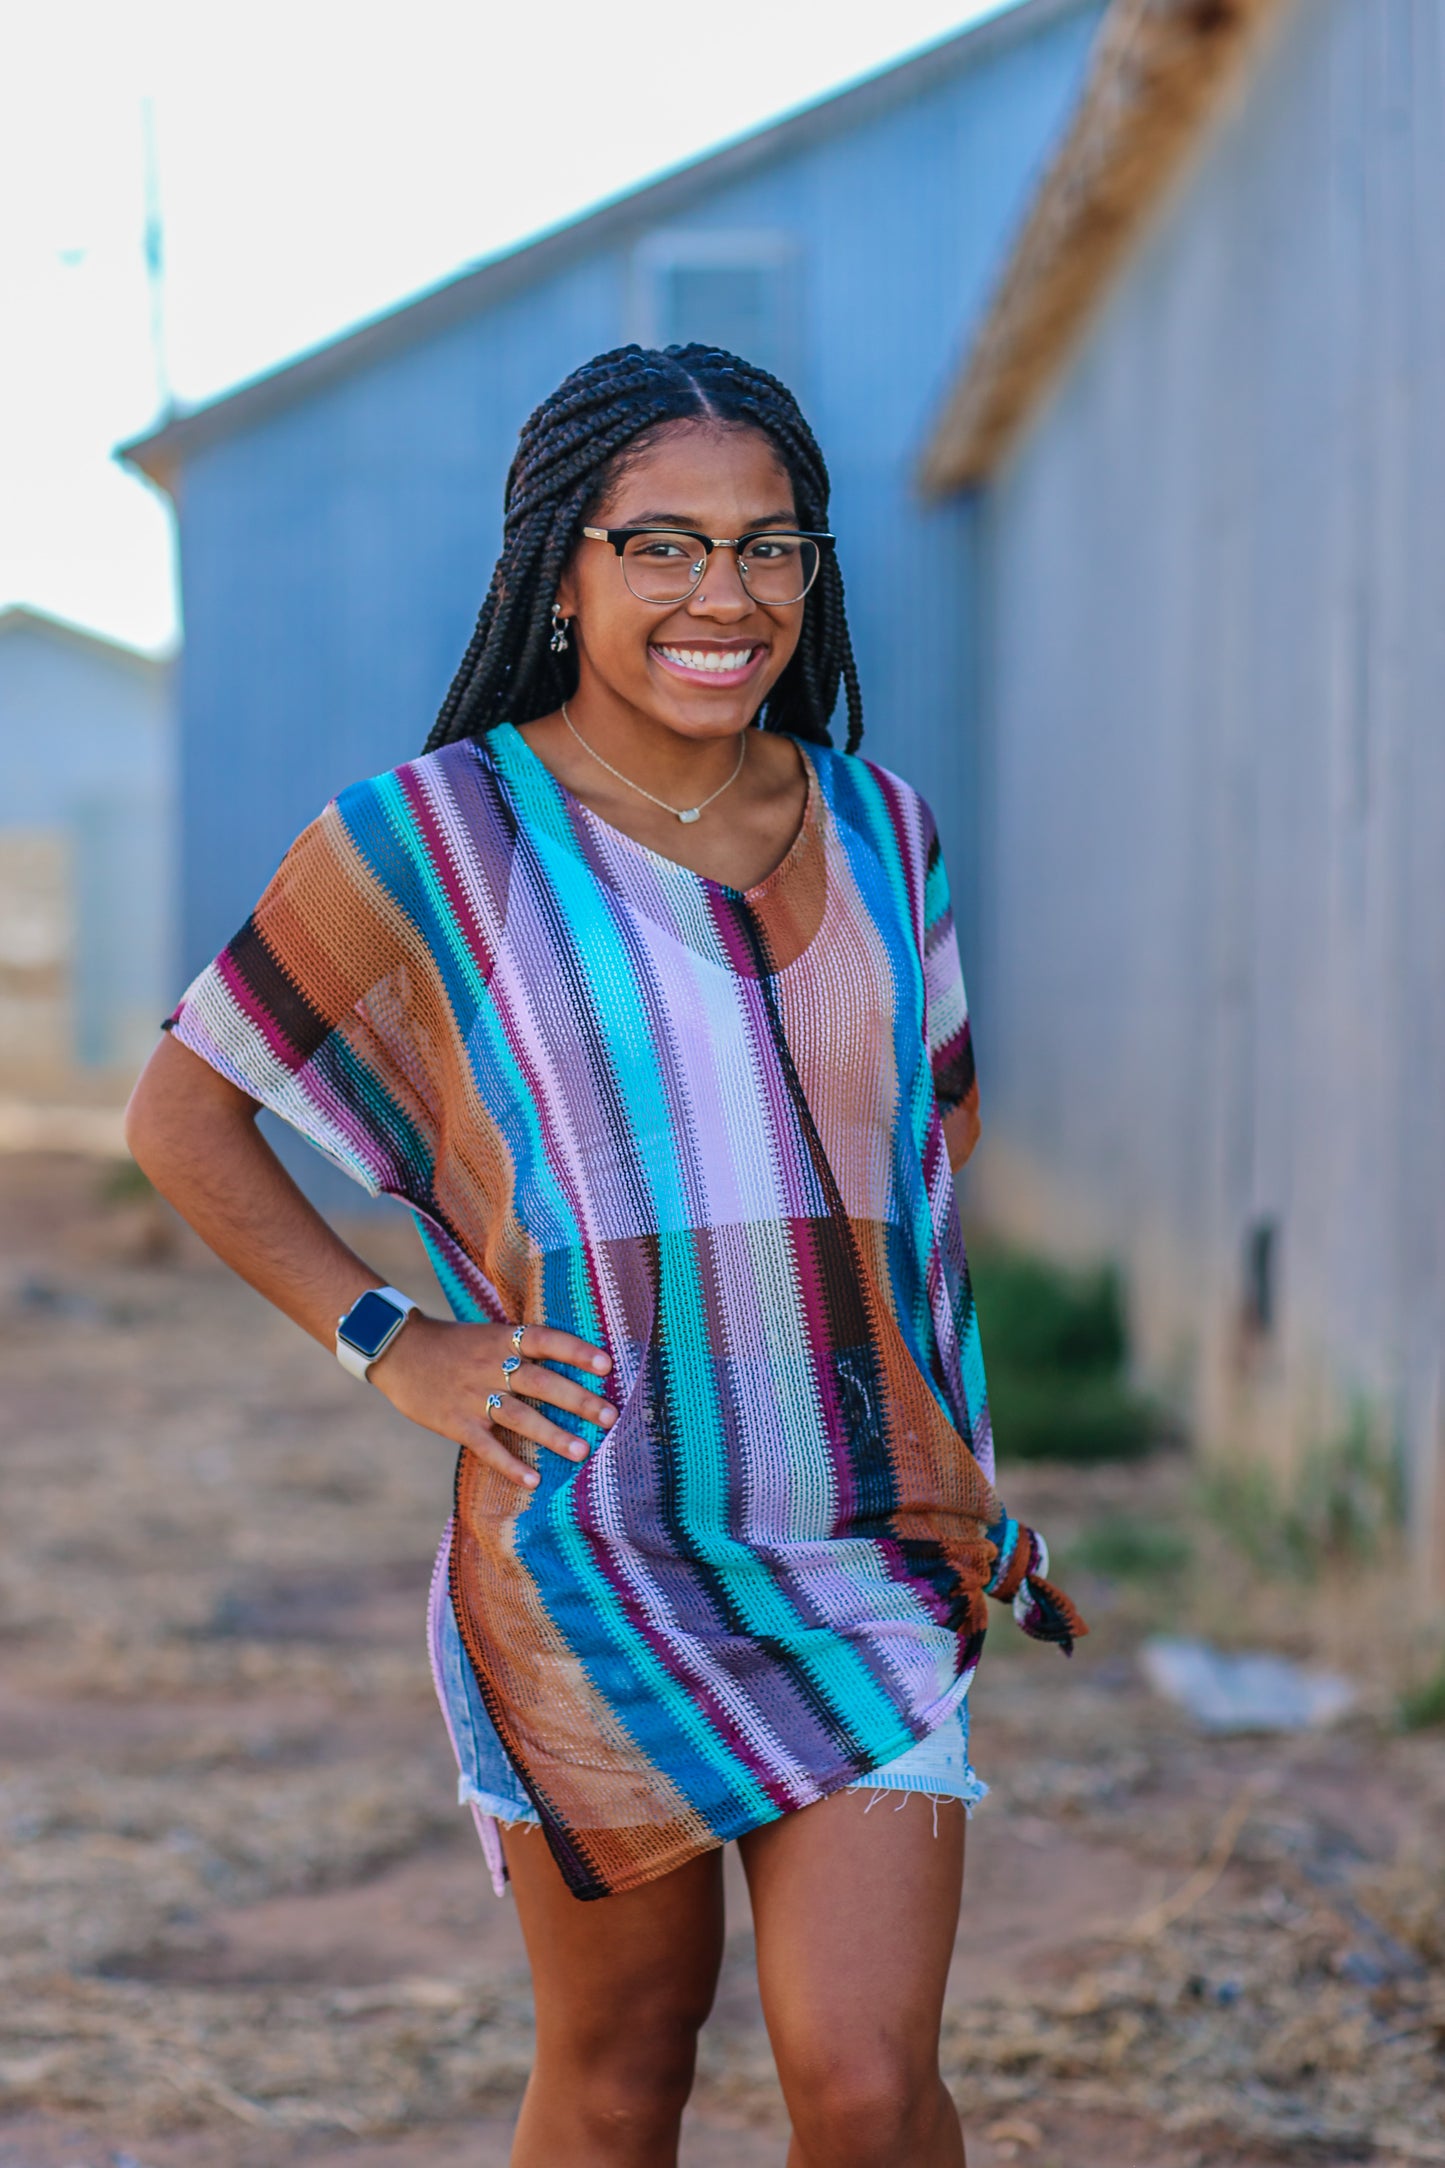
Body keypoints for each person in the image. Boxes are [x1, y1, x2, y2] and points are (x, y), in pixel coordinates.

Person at [125, 342, 1086, 2168]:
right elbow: (187, 1115)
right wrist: (394, 1343)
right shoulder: (428, 843)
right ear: (556, 571)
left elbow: (925, 1142)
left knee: (871, 2093)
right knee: (621, 2075)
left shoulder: (887, 834)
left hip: (862, 1543)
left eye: (767, 545)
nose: (721, 596)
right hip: (587, 1552)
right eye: (658, 546)